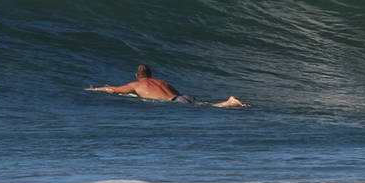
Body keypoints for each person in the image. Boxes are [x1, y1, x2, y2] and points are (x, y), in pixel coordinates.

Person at [87, 64, 246, 107]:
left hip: (174, 103)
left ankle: (229, 102)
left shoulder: (136, 84)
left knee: (209, 107)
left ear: (137, 75)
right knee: (208, 105)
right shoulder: (161, 82)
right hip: (182, 97)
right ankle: (229, 101)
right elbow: (176, 93)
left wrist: (95, 89)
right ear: (150, 74)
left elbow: (114, 90)